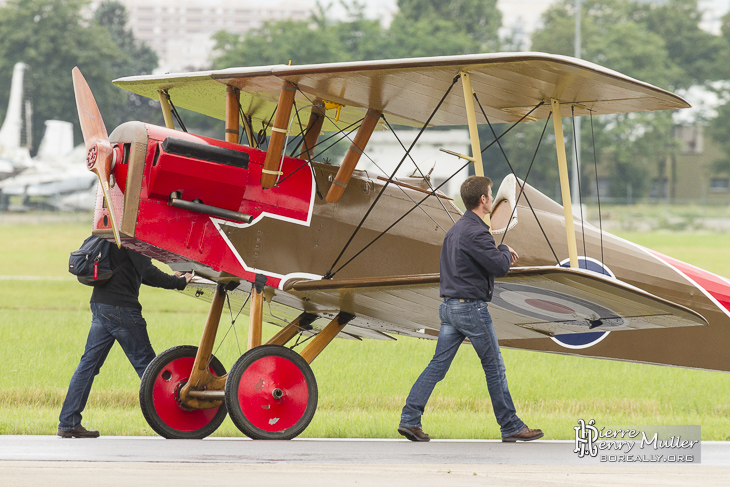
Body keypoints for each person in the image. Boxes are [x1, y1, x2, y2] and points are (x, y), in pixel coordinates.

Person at [398, 176, 543, 443]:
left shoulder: (457, 229)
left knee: (437, 367)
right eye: (490, 193)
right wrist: (503, 249)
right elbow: (498, 267)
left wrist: (497, 249)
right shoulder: (477, 232)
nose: (491, 197)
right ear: (483, 200)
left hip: (449, 308)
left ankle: (409, 419)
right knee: (494, 367)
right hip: (471, 309)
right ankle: (510, 425)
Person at [57, 241, 192, 438]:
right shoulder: (131, 238)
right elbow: (147, 272)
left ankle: (68, 422)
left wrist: (172, 278)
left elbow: (135, 271)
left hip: (101, 304)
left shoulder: (113, 235)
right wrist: (179, 282)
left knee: (88, 366)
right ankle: (176, 420)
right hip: (122, 309)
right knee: (148, 367)